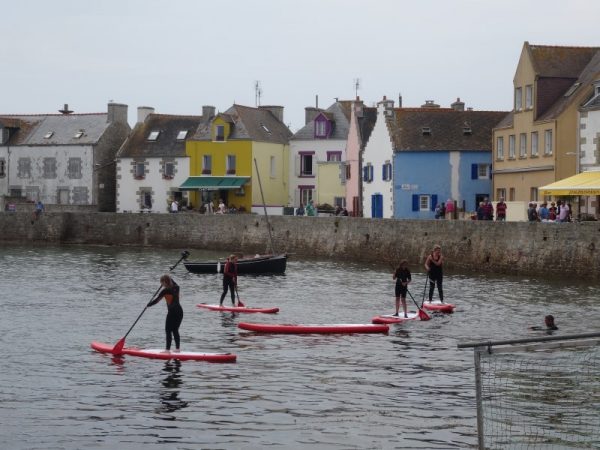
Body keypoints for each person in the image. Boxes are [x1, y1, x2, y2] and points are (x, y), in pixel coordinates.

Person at [147, 274, 184, 352]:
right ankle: (177, 349)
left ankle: (167, 350)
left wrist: (148, 305)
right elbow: (173, 282)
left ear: (164, 282)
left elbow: (156, 300)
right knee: (175, 330)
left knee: (168, 330)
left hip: (172, 312)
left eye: (162, 282)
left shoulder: (165, 291)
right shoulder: (176, 287)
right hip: (180, 312)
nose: (161, 284)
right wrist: (169, 277)